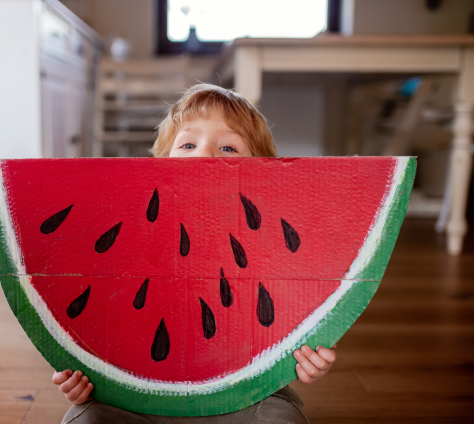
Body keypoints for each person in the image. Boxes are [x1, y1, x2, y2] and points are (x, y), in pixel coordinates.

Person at [52, 83, 337, 423]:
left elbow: (301, 303)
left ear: (263, 172)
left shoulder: (273, 238)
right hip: (130, 393)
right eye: (188, 144)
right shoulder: (130, 231)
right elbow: (92, 312)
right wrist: (81, 373)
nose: (204, 155)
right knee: (86, 418)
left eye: (228, 147)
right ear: (158, 166)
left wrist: (310, 353)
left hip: (248, 394)